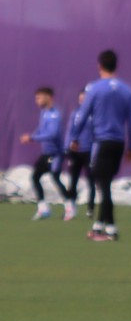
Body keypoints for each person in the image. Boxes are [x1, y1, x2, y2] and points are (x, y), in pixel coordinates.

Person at [70, 50, 131, 242]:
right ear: (116, 66)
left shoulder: (94, 88)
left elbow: (82, 114)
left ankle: (112, 229)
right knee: (105, 183)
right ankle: (99, 225)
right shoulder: (126, 89)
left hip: (101, 142)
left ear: (99, 66)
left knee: (103, 185)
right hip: (118, 143)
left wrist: (74, 137)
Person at [19, 86, 72, 221]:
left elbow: (52, 134)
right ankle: (43, 209)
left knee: (55, 177)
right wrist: (32, 136)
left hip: (55, 154)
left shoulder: (55, 114)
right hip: (46, 153)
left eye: (39, 97)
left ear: (49, 97)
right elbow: (41, 129)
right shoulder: (44, 113)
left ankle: (69, 207)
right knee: (35, 177)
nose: (37, 100)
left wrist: (32, 138)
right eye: (36, 98)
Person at [62, 89, 94, 220]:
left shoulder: (95, 114)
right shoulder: (75, 114)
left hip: (89, 152)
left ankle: (90, 208)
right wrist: (66, 147)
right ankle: (71, 208)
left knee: (91, 181)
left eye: (84, 98)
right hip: (75, 152)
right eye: (80, 98)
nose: (82, 100)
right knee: (73, 180)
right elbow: (70, 131)